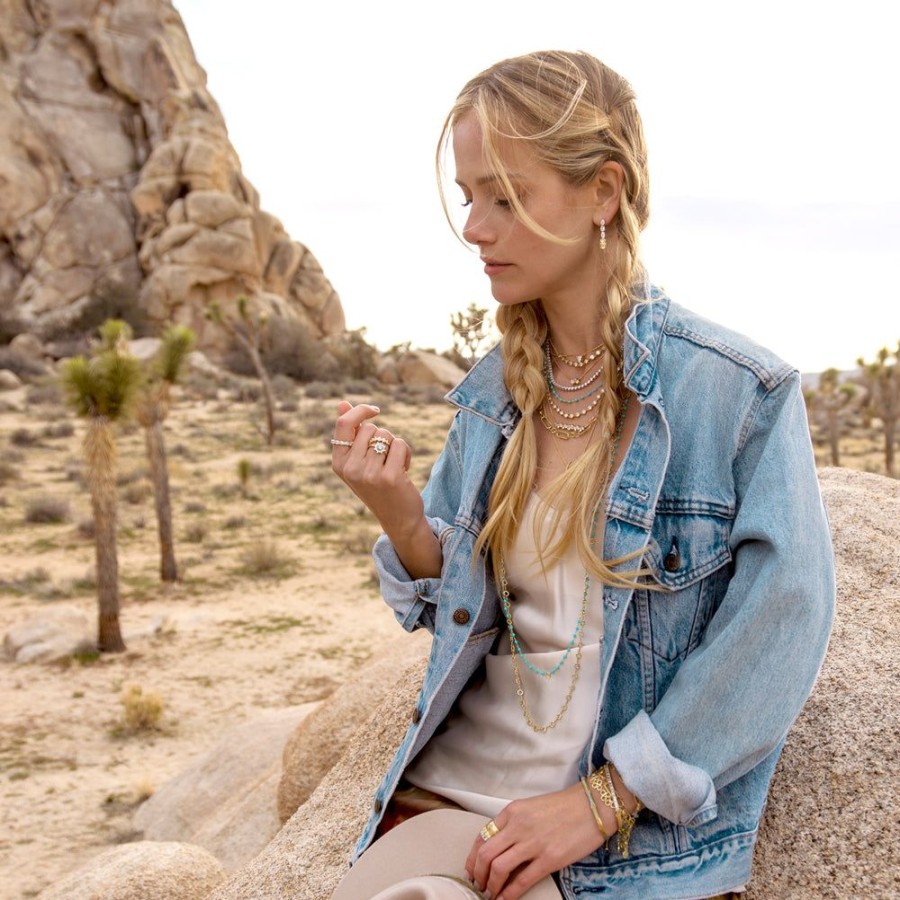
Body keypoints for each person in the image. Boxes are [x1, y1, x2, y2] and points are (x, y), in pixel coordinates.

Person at [329, 50, 835, 900]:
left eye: (506, 196)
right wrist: (400, 516)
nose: (475, 228)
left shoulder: (738, 394)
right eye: (468, 199)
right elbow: (449, 611)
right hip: (439, 802)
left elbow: (785, 621)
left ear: (602, 192)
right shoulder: (496, 393)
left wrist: (604, 799)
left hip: (601, 840)